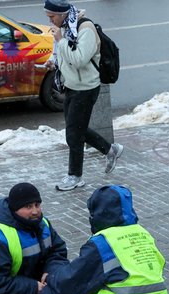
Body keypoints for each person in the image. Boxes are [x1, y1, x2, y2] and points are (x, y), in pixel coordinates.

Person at [26, 185, 169, 294]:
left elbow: (72, 285)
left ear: (99, 213)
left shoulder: (103, 243)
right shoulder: (143, 234)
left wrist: (51, 277)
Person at [44, 0, 124, 191]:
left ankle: (75, 176)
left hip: (86, 87)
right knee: (76, 128)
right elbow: (65, 55)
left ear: (63, 13)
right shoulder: (65, 26)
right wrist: (53, 62)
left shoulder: (85, 28)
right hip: (71, 85)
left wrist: (60, 40)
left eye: (52, 16)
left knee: (74, 133)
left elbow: (79, 60)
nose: (50, 20)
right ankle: (110, 149)